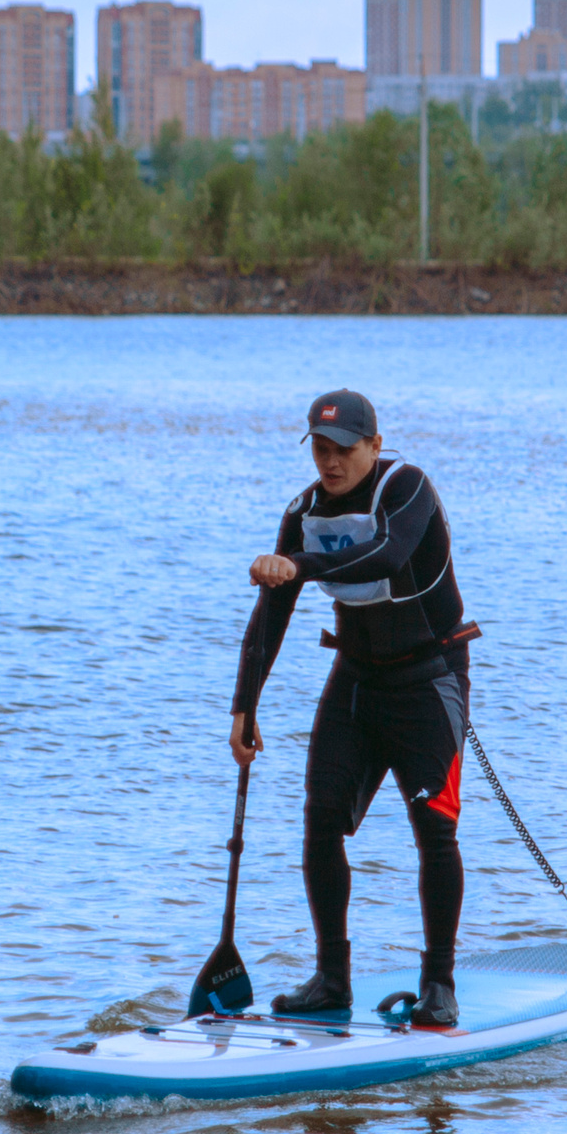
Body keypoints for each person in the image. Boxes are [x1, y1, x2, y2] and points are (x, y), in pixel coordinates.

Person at [229, 389, 480, 1025]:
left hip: (430, 683)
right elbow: (272, 615)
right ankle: (332, 979)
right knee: (319, 823)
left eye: (344, 448)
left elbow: (389, 555)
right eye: (320, 448)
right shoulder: (304, 510)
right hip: (357, 680)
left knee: (434, 833)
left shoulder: (407, 488)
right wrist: (244, 705)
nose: (331, 461)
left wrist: (299, 564)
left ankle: (440, 984)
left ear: (374, 443)